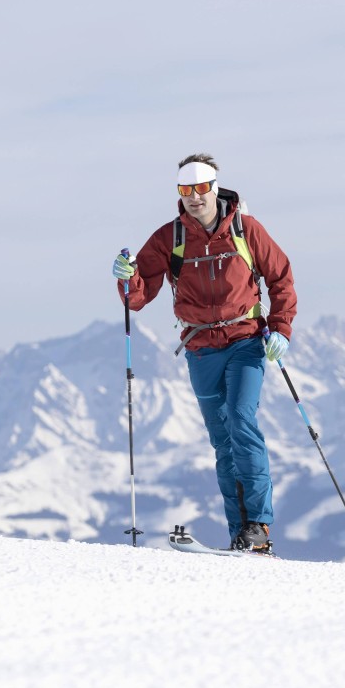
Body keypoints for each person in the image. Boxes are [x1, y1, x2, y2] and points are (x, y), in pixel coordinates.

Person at [112, 154, 296, 553]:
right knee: (222, 441)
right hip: (200, 349)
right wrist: (127, 278)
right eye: (185, 190)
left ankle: (260, 527)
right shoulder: (171, 238)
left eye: (200, 188)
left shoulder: (246, 230)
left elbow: (280, 275)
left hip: (245, 340)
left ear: (214, 188)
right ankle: (240, 533)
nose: (194, 197)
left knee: (242, 420)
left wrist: (280, 327)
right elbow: (140, 296)